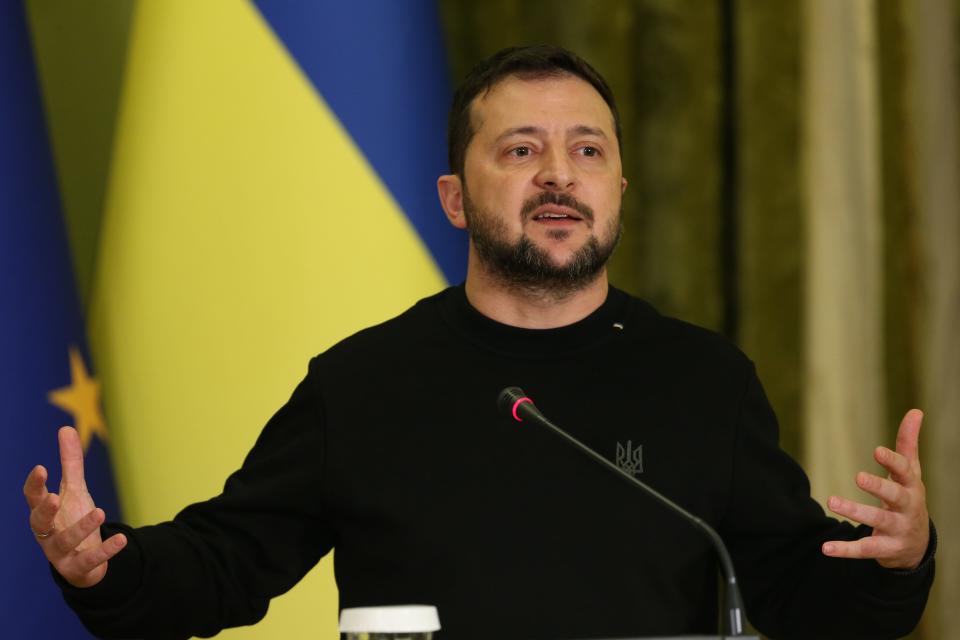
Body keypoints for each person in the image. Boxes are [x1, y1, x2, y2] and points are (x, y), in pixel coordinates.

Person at [24, 45, 934, 639]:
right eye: (519, 150)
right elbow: (225, 563)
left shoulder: (703, 380)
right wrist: (109, 565)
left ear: (621, 188)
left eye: (586, 152)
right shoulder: (365, 384)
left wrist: (896, 561)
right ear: (456, 197)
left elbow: (790, 592)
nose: (557, 177)